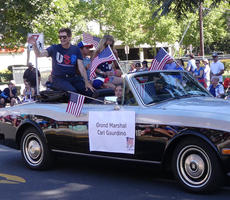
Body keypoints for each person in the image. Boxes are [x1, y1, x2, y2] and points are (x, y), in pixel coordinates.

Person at [27, 28, 94, 97]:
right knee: (73, 93)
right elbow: (39, 54)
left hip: (73, 78)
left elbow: (81, 67)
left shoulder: (76, 49)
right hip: (59, 79)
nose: (62, 39)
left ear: (69, 37)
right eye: (60, 37)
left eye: (64, 37)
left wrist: (86, 82)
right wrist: (34, 45)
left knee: (89, 92)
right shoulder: (54, 48)